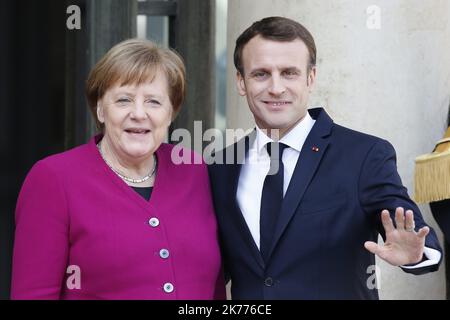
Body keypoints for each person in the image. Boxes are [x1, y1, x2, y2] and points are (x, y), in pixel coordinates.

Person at [208, 16, 442, 299]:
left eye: (289, 73)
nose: (276, 87)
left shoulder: (364, 156)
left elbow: (412, 232)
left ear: (311, 78)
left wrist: (415, 254)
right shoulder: (220, 167)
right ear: (240, 81)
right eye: (260, 74)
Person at [11, 39, 225, 300]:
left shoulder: (194, 170)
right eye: (123, 100)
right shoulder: (54, 178)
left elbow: (213, 289)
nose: (138, 113)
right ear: (100, 108)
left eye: (154, 102)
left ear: (171, 113)